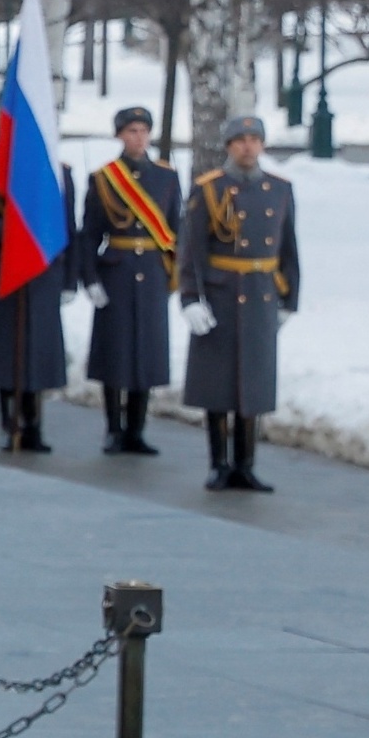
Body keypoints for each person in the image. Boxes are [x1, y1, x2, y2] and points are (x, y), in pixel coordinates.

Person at [180, 112, 300, 491]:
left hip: (262, 293)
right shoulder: (210, 189)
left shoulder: (280, 189)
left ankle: (245, 463)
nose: (248, 146)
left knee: (254, 383)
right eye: (241, 140)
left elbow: (289, 249)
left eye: (255, 140)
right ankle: (219, 463)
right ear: (229, 146)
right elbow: (192, 250)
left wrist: (289, 299)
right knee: (218, 383)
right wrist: (190, 298)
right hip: (221, 293)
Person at [76, 105, 178, 455]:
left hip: (151, 270)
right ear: (119, 135)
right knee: (115, 352)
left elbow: (176, 231)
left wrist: (174, 276)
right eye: (131, 131)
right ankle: (113, 428)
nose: (138, 138)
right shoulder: (104, 178)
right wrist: (89, 277)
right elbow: (89, 233)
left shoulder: (166, 176)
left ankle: (137, 429)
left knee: (145, 353)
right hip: (116, 271)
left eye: (143, 131)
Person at [0, 124, 69, 455]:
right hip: (9, 272)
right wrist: (12, 229)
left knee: (38, 353)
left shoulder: (58, 174)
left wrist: (69, 280)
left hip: (44, 273)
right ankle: (8, 424)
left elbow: (68, 228)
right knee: (7, 351)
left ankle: (34, 426)